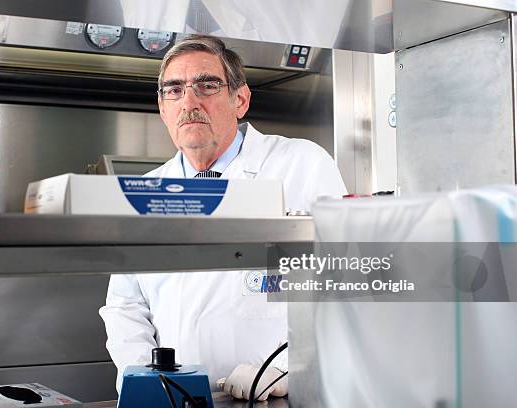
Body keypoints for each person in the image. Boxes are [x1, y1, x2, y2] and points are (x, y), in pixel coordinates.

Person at [99, 34, 347, 401]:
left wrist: (289, 370)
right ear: (162, 108)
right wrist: (147, 379)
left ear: (240, 99)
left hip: (277, 398)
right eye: (174, 89)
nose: (189, 101)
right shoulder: (147, 189)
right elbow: (125, 305)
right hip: (174, 399)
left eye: (207, 85)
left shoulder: (303, 164)